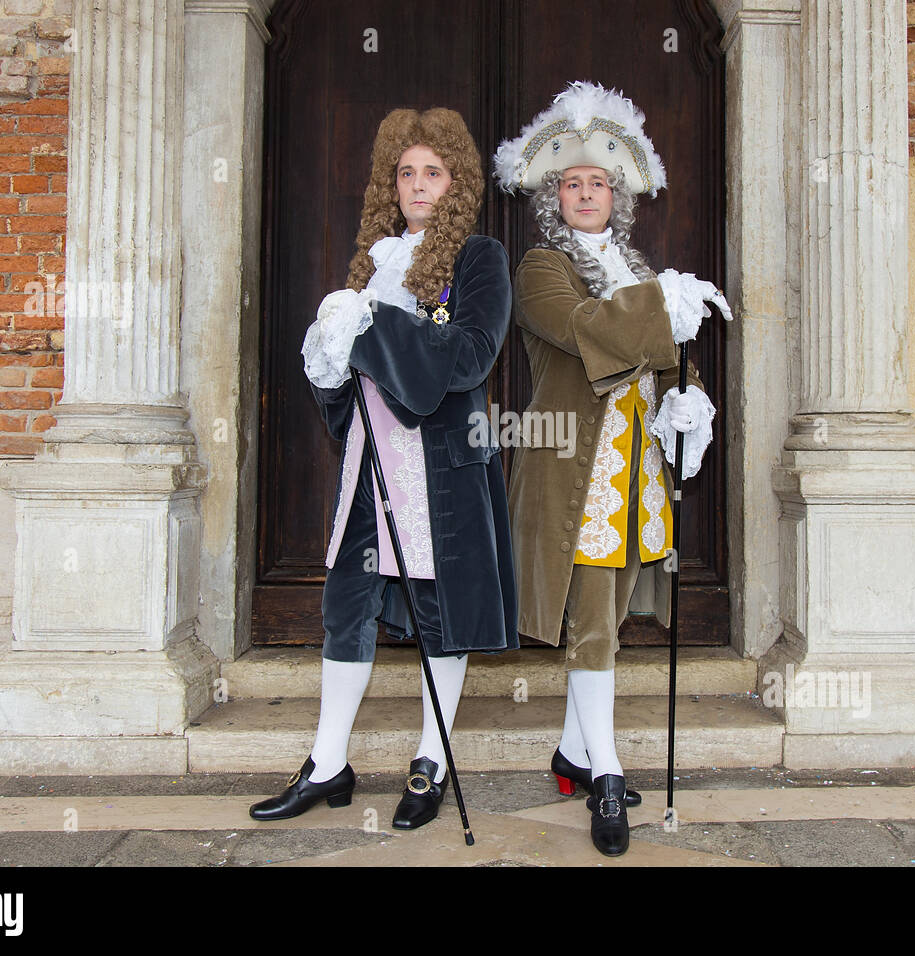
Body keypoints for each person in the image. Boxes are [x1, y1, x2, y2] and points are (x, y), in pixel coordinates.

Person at [250, 107, 517, 830]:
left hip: (442, 470)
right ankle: (328, 763)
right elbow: (345, 385)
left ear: (455, 181)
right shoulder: (374, 261)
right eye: (406, 173)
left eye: (433, 172)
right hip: (371, 463)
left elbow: (468, 357)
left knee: (441, 619)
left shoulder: (479, 257)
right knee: (346, 607)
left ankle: (430, 762)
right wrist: (334, 352)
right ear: (390, 185)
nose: (418, 185)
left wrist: (371, 328)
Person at [494, 81, 731, 856]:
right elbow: (582, 328)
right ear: (553, 196)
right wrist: (665, 308)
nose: (586, 192)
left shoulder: (634, 270)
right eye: (572, 182)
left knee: (611, 618)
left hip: (638, 469)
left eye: (599, 182)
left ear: (617, 195)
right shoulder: (539, 268)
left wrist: (686, 400)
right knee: (591, 624)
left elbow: (662, 366)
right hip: (578, 470)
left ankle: (572, 752)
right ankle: (605, 773)